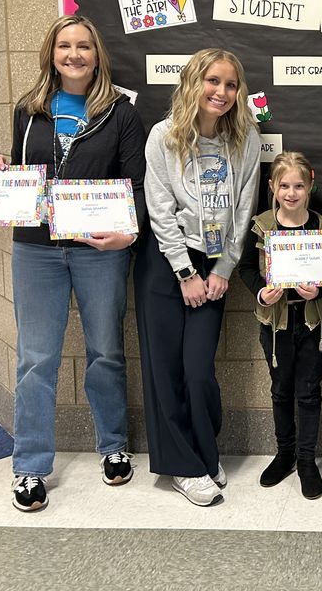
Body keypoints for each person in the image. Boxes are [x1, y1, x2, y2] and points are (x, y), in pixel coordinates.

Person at [1, 14, 146, 512]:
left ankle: (113, 445)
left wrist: (129, 232)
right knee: (35, 358)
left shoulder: (120, 112)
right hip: (35, 249)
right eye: (65, 46)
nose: (74, 55)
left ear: (97, 54)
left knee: (105, 350)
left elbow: (137, 183)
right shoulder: (28, 109)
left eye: (84, 46)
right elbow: (22, 171)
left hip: (98, 252)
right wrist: (4, 177)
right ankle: (29, 465)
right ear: (52, 53)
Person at [135, 48, 260, 507]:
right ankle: (183, 467)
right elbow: (160, 207)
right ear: (193, 83)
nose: (221, 92)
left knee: (198, 369)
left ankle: (206, 451)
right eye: (212, 81)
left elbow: (244, 208)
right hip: (166, 261)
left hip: (214, 261)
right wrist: (185, 271)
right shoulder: (163, 136)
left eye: (230, 84)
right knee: (165, 368)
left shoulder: (246, 138)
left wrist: (225, 267)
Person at [237, 152, 322, 500]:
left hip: (313, 325)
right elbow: (246, 268)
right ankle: (285, 453)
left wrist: (320, 289)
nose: (291, 193)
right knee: (280, 390)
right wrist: (262, 294)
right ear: (272, 188)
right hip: (275, 324)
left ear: (310, 186)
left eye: (298, 185)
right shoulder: (262, 225)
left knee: (308, 392)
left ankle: (307, 460)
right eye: (284, 186)